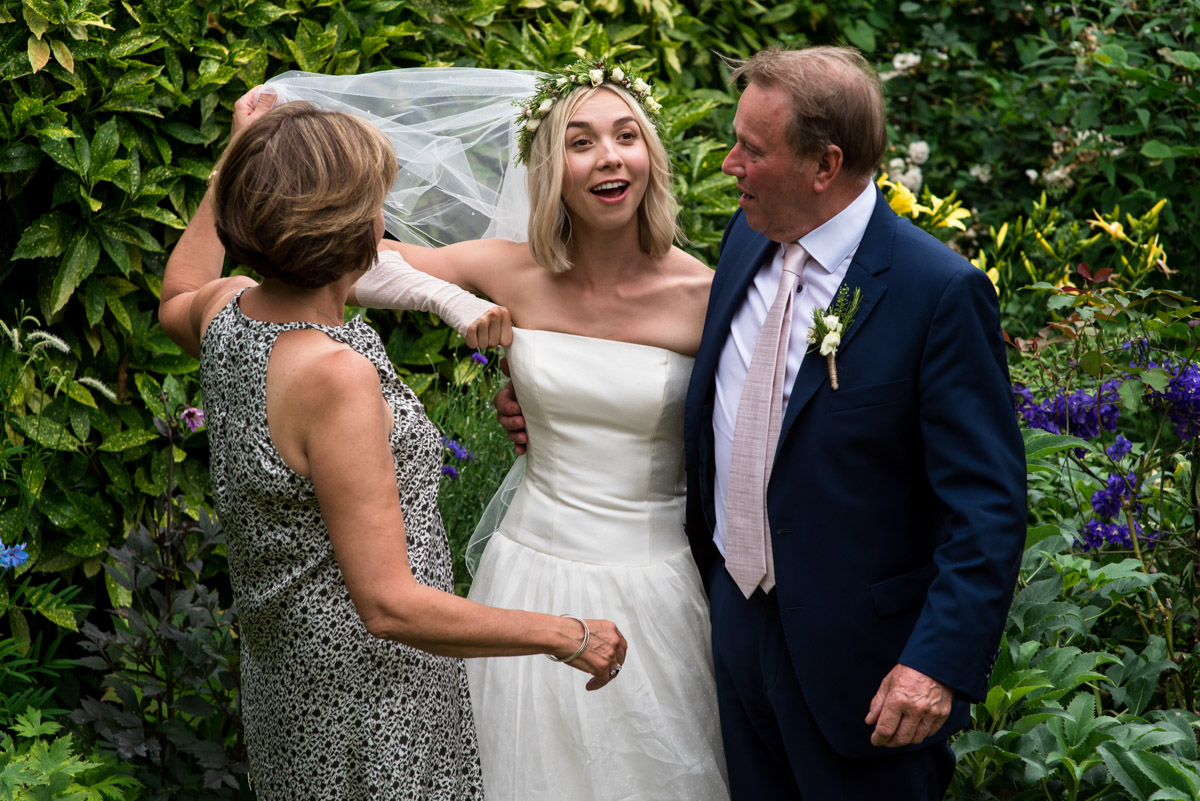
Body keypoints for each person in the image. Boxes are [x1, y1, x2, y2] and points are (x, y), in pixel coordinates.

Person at [158, 90, 626, 800]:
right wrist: (568, 632)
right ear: (353, 229)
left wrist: (235, 157)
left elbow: (176, 291)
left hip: (289, 684)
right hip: (372, 710)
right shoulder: (333, 376)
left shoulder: (230, 311)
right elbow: (390, 604)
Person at [344, 59, 730, 801]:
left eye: (626, 135)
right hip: (527, 571)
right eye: (581, 142)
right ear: (552, 167)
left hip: (653, 580)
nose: (610, 157)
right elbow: (349, 264)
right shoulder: (513, 270)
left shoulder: (706, 295)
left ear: (651, 154)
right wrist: (450, 303)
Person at [674, 46, 1026, 799]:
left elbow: (988, 506)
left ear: (824, 165)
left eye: (752, 149)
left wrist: (935, 663)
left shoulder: (938, 292)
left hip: (867, 670)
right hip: (736, 622)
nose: (730, 163)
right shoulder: (745, 240)